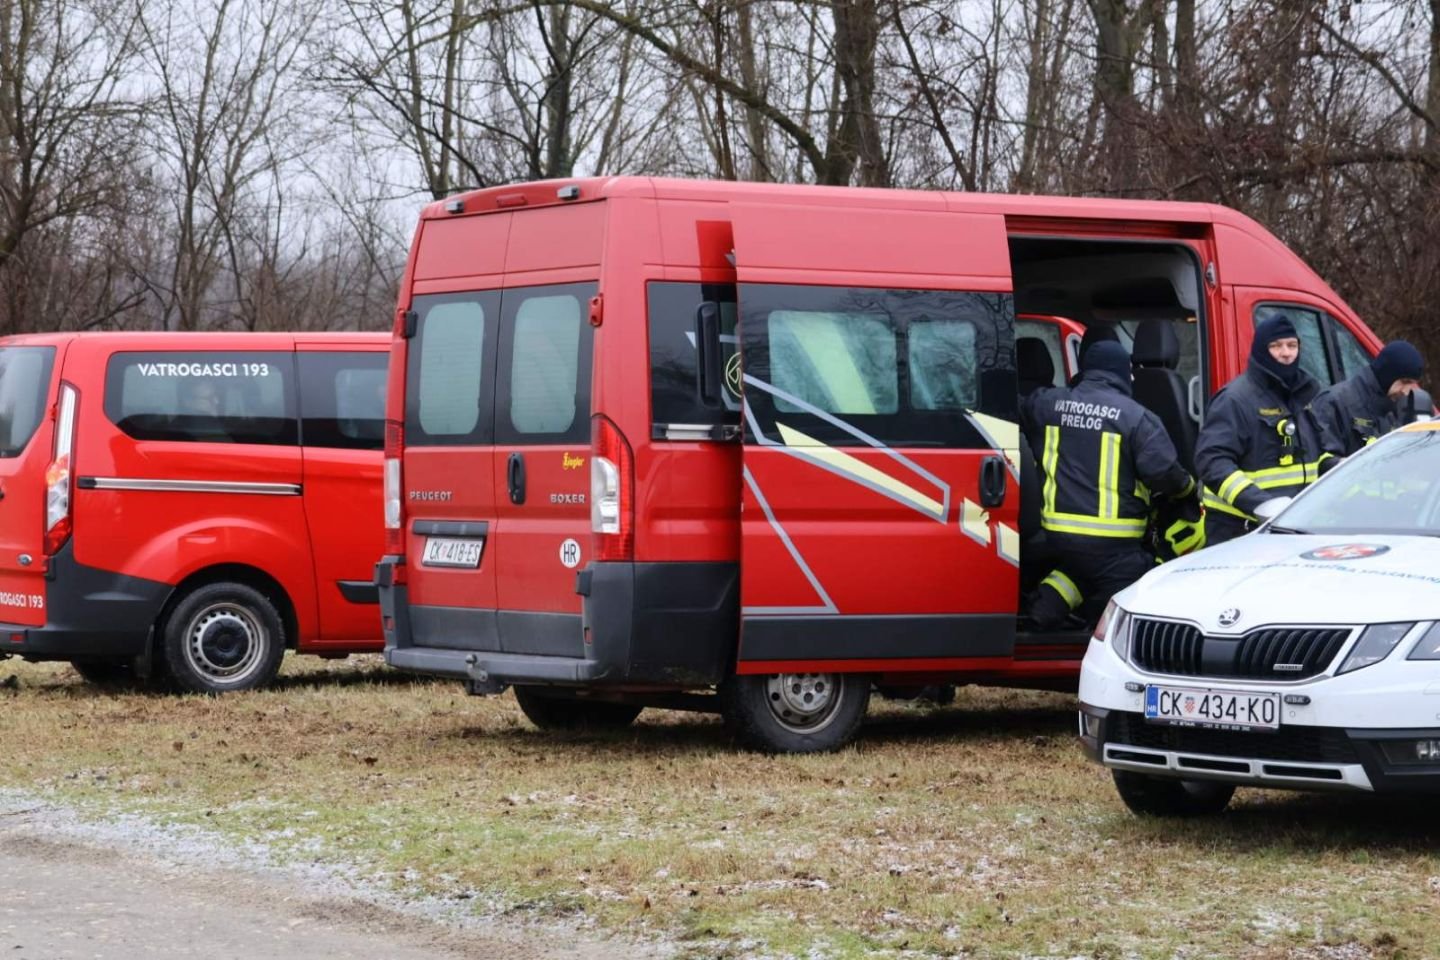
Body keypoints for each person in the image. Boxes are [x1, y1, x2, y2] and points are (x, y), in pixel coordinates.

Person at [1023, 341, 1197, 629]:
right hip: (1112, 541)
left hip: (1058, 533)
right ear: (1121, 372)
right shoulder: (1136, 417)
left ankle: (1045, 608)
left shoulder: (1046, 403)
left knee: (1079, 569)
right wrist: (1188, 489)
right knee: (1142, 584)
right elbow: (1163, 473)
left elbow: (1014, 408)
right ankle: (1106, 636)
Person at [1194, 315, 1331, 546]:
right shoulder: (1235, 399)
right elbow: (1212, 461)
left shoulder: (1307, 394)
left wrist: (1341, 467)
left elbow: (1318, 453)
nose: (1286, 353)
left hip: (1293, 529)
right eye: (1276, 346)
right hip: (1240, 532)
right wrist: (1260, 503)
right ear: (1260, 350)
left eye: (1292, 345)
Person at [1311, 340, 1424, 457]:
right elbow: (1324, 462)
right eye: (1404, 382)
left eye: (1411, 384)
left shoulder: (1392, 410)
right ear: (1387, 374)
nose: (1405, 392)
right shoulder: (1333, 402)